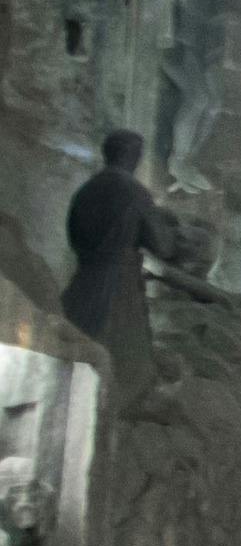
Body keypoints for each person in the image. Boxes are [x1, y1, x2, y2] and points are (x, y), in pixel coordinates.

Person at [61, 131, 180, 393]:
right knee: (122, 365)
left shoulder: (86, 190)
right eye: (137, 153)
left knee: (72, 345)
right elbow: (162, 246)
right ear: (130, 155)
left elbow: (73, 234)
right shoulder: (135, 192)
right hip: (118, 286)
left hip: (81, 280)